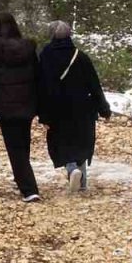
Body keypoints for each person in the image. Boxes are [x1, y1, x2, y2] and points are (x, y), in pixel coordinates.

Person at [38, 21, 111, 193]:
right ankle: (82, 182)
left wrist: (43, 115)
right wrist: (104, 109)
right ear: (69, 35)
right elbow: (94, 85)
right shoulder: (81, 56)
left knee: (61, 143)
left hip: (56, 109)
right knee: (81, 143)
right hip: (83, 108)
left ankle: (71, 169)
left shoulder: (45, 56)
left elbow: (40, 87)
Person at [0, 12, 41, 201]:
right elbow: (37, 74)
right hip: (27, 102)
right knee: (23, 141)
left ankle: (29, 188)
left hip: (5, 104)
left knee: (14, 147)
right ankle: (22, 176)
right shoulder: (28, 49)